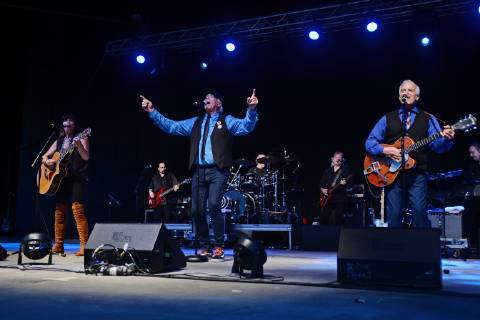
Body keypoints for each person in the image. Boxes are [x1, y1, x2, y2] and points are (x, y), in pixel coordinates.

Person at [141, 89, 258, 259]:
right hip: (199, 171)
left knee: (213, 205)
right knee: (196, 210)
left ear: (218, 103)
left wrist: (252, 109)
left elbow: (246, 127)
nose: (205, 99)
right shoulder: (197, 122)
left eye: (209, 97)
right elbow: (172, 126)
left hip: (218, 171)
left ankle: (218, 245)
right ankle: (205, 245)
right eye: (205, 97)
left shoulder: (227, 120)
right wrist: (152, 111)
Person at [365, 79, 455, 228]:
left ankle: (423, 248)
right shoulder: (387, 118)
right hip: (392, 174)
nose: (405, 93)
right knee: (393, 216)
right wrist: (386, 149)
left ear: (417, 97)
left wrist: (446, 139)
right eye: (402, 91)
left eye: (410, 90)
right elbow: (369, 143)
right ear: (399, 95)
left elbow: (438, 147)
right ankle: (395, 250)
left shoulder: (428, 118)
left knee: (419, 212)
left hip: (417, 173)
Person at [41, 113, 90, 256]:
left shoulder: (82, 136)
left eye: (69, 125)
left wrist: (79, 145)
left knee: (77, 210)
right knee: (59, 211)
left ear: (74, 125)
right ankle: (58, 245)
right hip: (61, 179)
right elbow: (45, 156)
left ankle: (84, 246)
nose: (67, 127)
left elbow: (86, 157)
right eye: (64, 125)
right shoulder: (60, 140)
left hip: (76, 178)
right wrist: (47, 161)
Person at [318, 151, 351, 225]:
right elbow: (321, 184)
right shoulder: (327, 171)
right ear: (332, 159)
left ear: (342, 160)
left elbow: (349, 184)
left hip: (339, 198)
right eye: (336, 157)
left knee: (338, 220)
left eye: (340, 158)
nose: (338, 159)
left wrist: (345, 184)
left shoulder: (345, 171)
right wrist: (322, 190)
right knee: (324, 218)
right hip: (326, 198)